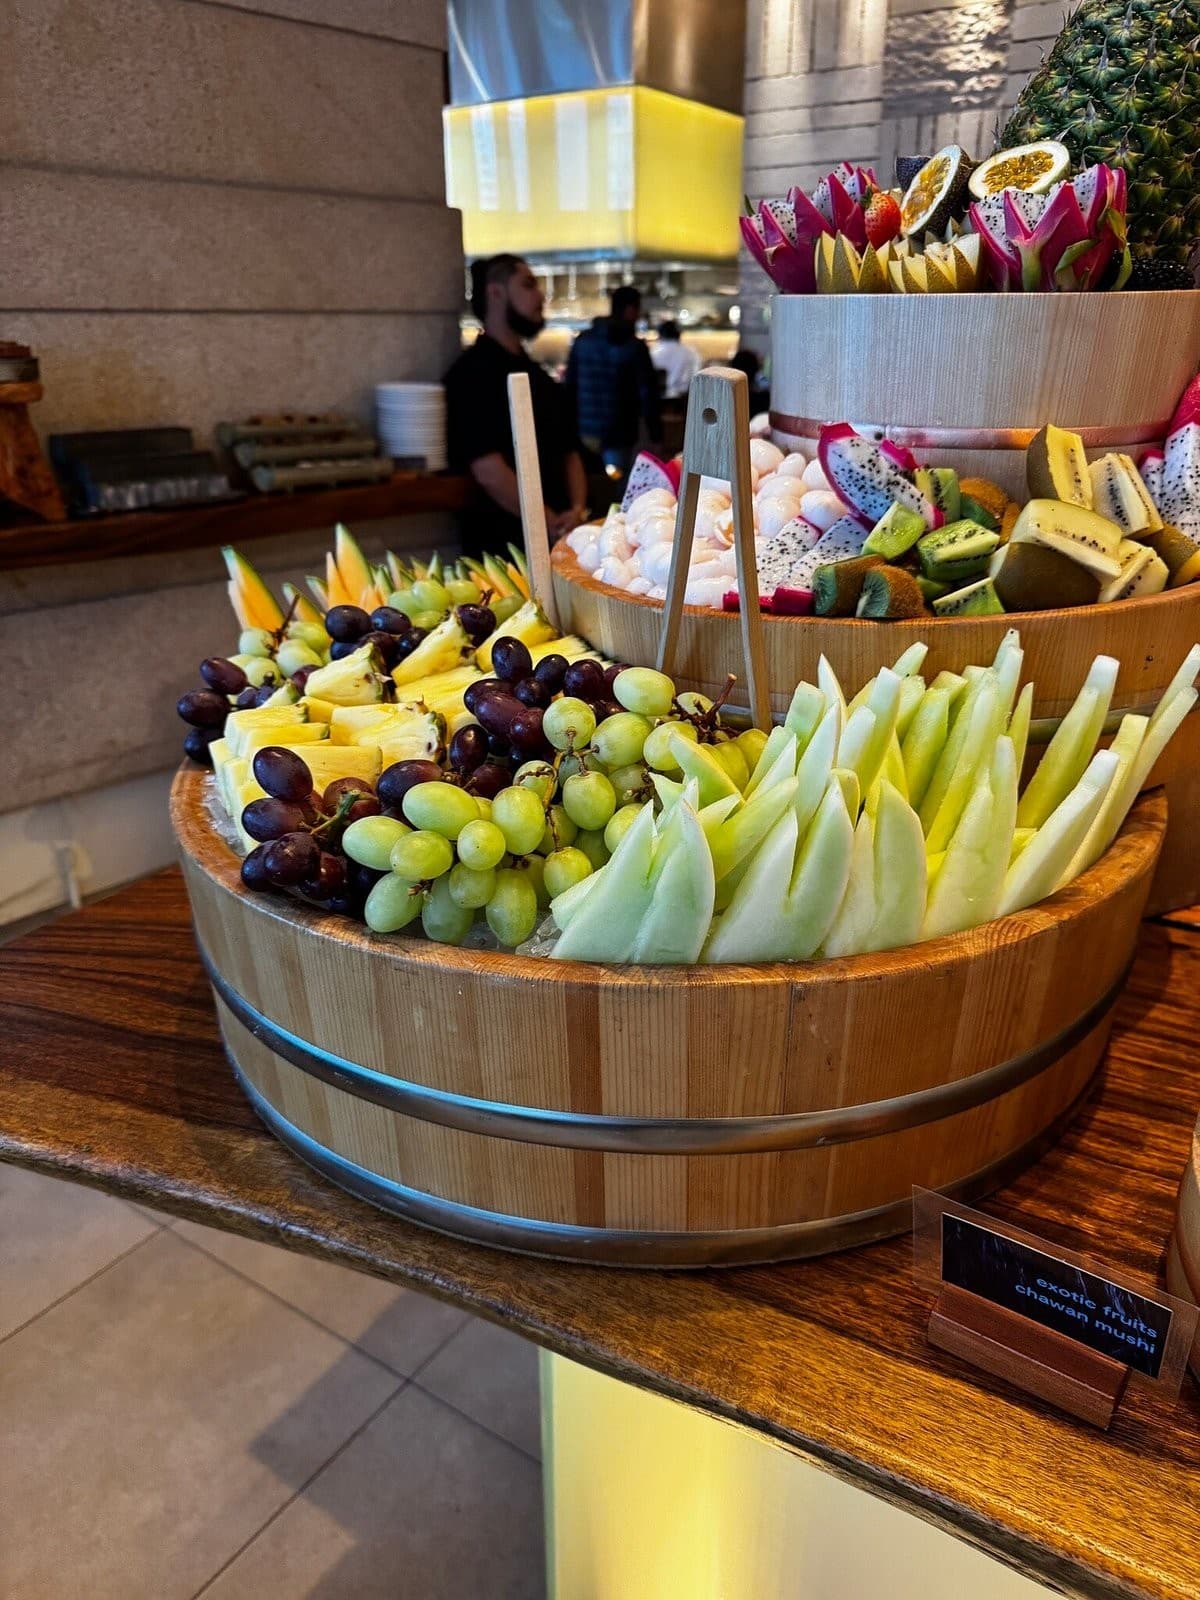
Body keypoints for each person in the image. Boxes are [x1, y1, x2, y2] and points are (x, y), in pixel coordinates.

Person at [444, 254, 588, 554]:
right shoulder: (470, 374)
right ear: (495, 292)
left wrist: (576, 509)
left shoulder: (539, 376)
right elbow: (489, 470)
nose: (540, 295)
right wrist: (546, 520)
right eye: (528, 285)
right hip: (502, 549)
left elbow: (570, 452)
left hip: (562, 539)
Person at [563, 285, 663, 479]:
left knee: (589, 485)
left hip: (585, 432)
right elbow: (648, 394)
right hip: (619, 433)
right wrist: (656, 436)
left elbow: (570, 387)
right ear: (630, 309)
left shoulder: (583, 341)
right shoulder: (634, 347)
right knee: (616, 489)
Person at [650, 320, 700, 402]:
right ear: (679, 335)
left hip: (657, 402)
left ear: (659, 335)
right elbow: (696, 378)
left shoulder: (652, 353)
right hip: (685, 402)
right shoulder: (691, 352)